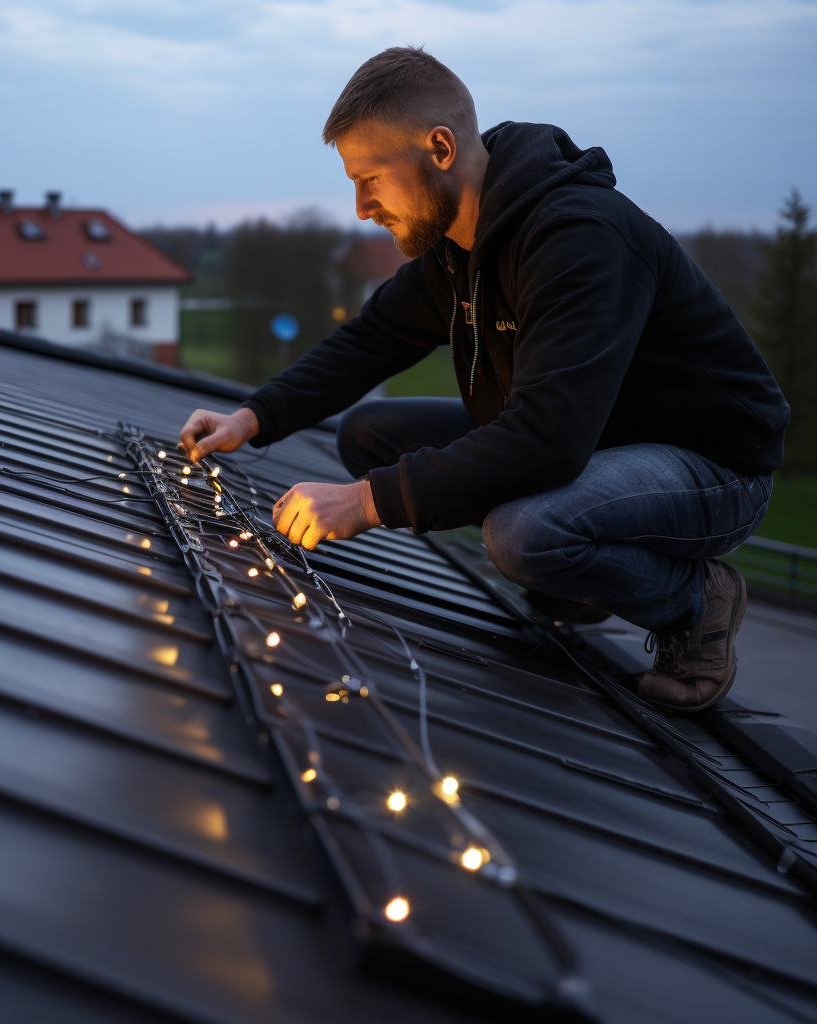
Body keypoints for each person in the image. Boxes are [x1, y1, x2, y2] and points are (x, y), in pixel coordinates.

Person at [178, 46, 789, 714]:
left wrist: (363, 504)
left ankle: (695, 602)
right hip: (598, 438)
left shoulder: (579, 238)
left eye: (371, 179)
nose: (360, 207)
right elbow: (373, 337)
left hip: (710, 464)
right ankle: (580, 582)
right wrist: (255, 417)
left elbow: (548, 438)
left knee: (524, 533)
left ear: (439, 148)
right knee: (372, 435)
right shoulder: (460, 245)